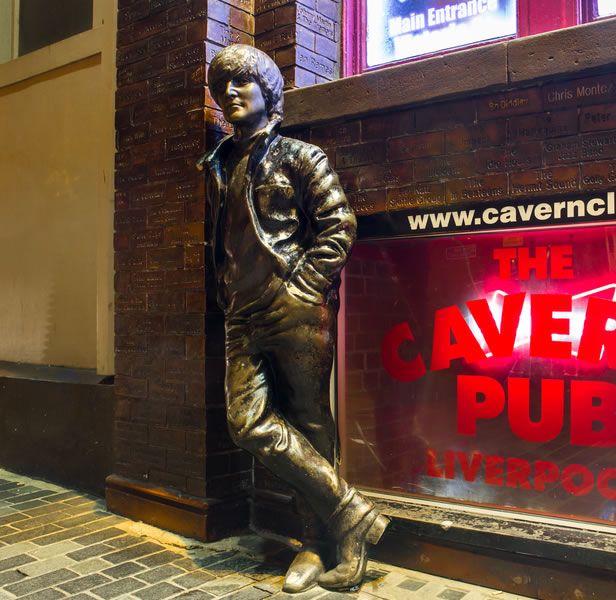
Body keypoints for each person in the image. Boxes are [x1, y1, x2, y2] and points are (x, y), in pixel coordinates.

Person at [198, 44, 386, 591]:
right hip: (240, 313)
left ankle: (316, 544)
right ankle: (351, 511)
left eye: (241, 82)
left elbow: (339, 226)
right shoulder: (217, 163)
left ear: (268, 91)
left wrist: (301, 286)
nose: (229, 92)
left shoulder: (302, 157)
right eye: (222, 85)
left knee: (308, 423)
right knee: (247, 422)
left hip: (292, 307)